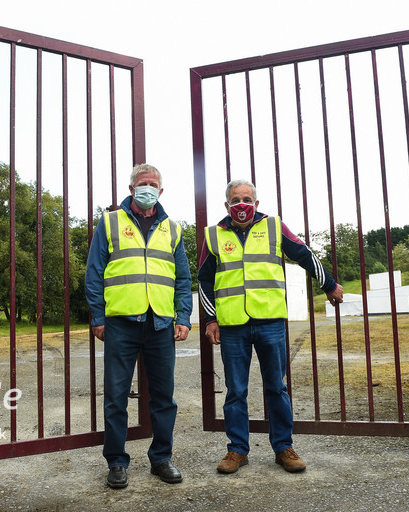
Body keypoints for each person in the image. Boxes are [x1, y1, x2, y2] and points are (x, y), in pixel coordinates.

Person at [197, 179, 344, 474]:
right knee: (235, 390)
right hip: (232, 325)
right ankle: (237, 450)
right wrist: (211, 318)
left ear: (256, 203)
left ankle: (283, 447)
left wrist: (328, 284)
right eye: (236, 199)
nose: (242, 204)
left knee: (276, 387)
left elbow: (304, 254)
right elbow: (204, 279)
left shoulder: (274, 227)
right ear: (227, 205)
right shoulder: (213, 235)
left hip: (270, 323)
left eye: (247, 199)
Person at [86, 163, 193, 489]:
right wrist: (99, 317)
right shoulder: (109, 222)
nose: (148, 189)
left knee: (164, 397)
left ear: (161, 191)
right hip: (121, 324)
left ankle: (161, 458)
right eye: (142, 183)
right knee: (116, 397)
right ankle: (116, 462)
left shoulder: (172, 229)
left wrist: (183, 317)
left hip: (161, 324)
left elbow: (183, 279)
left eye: (154, 184)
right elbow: (94, 272)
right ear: (132, 188)